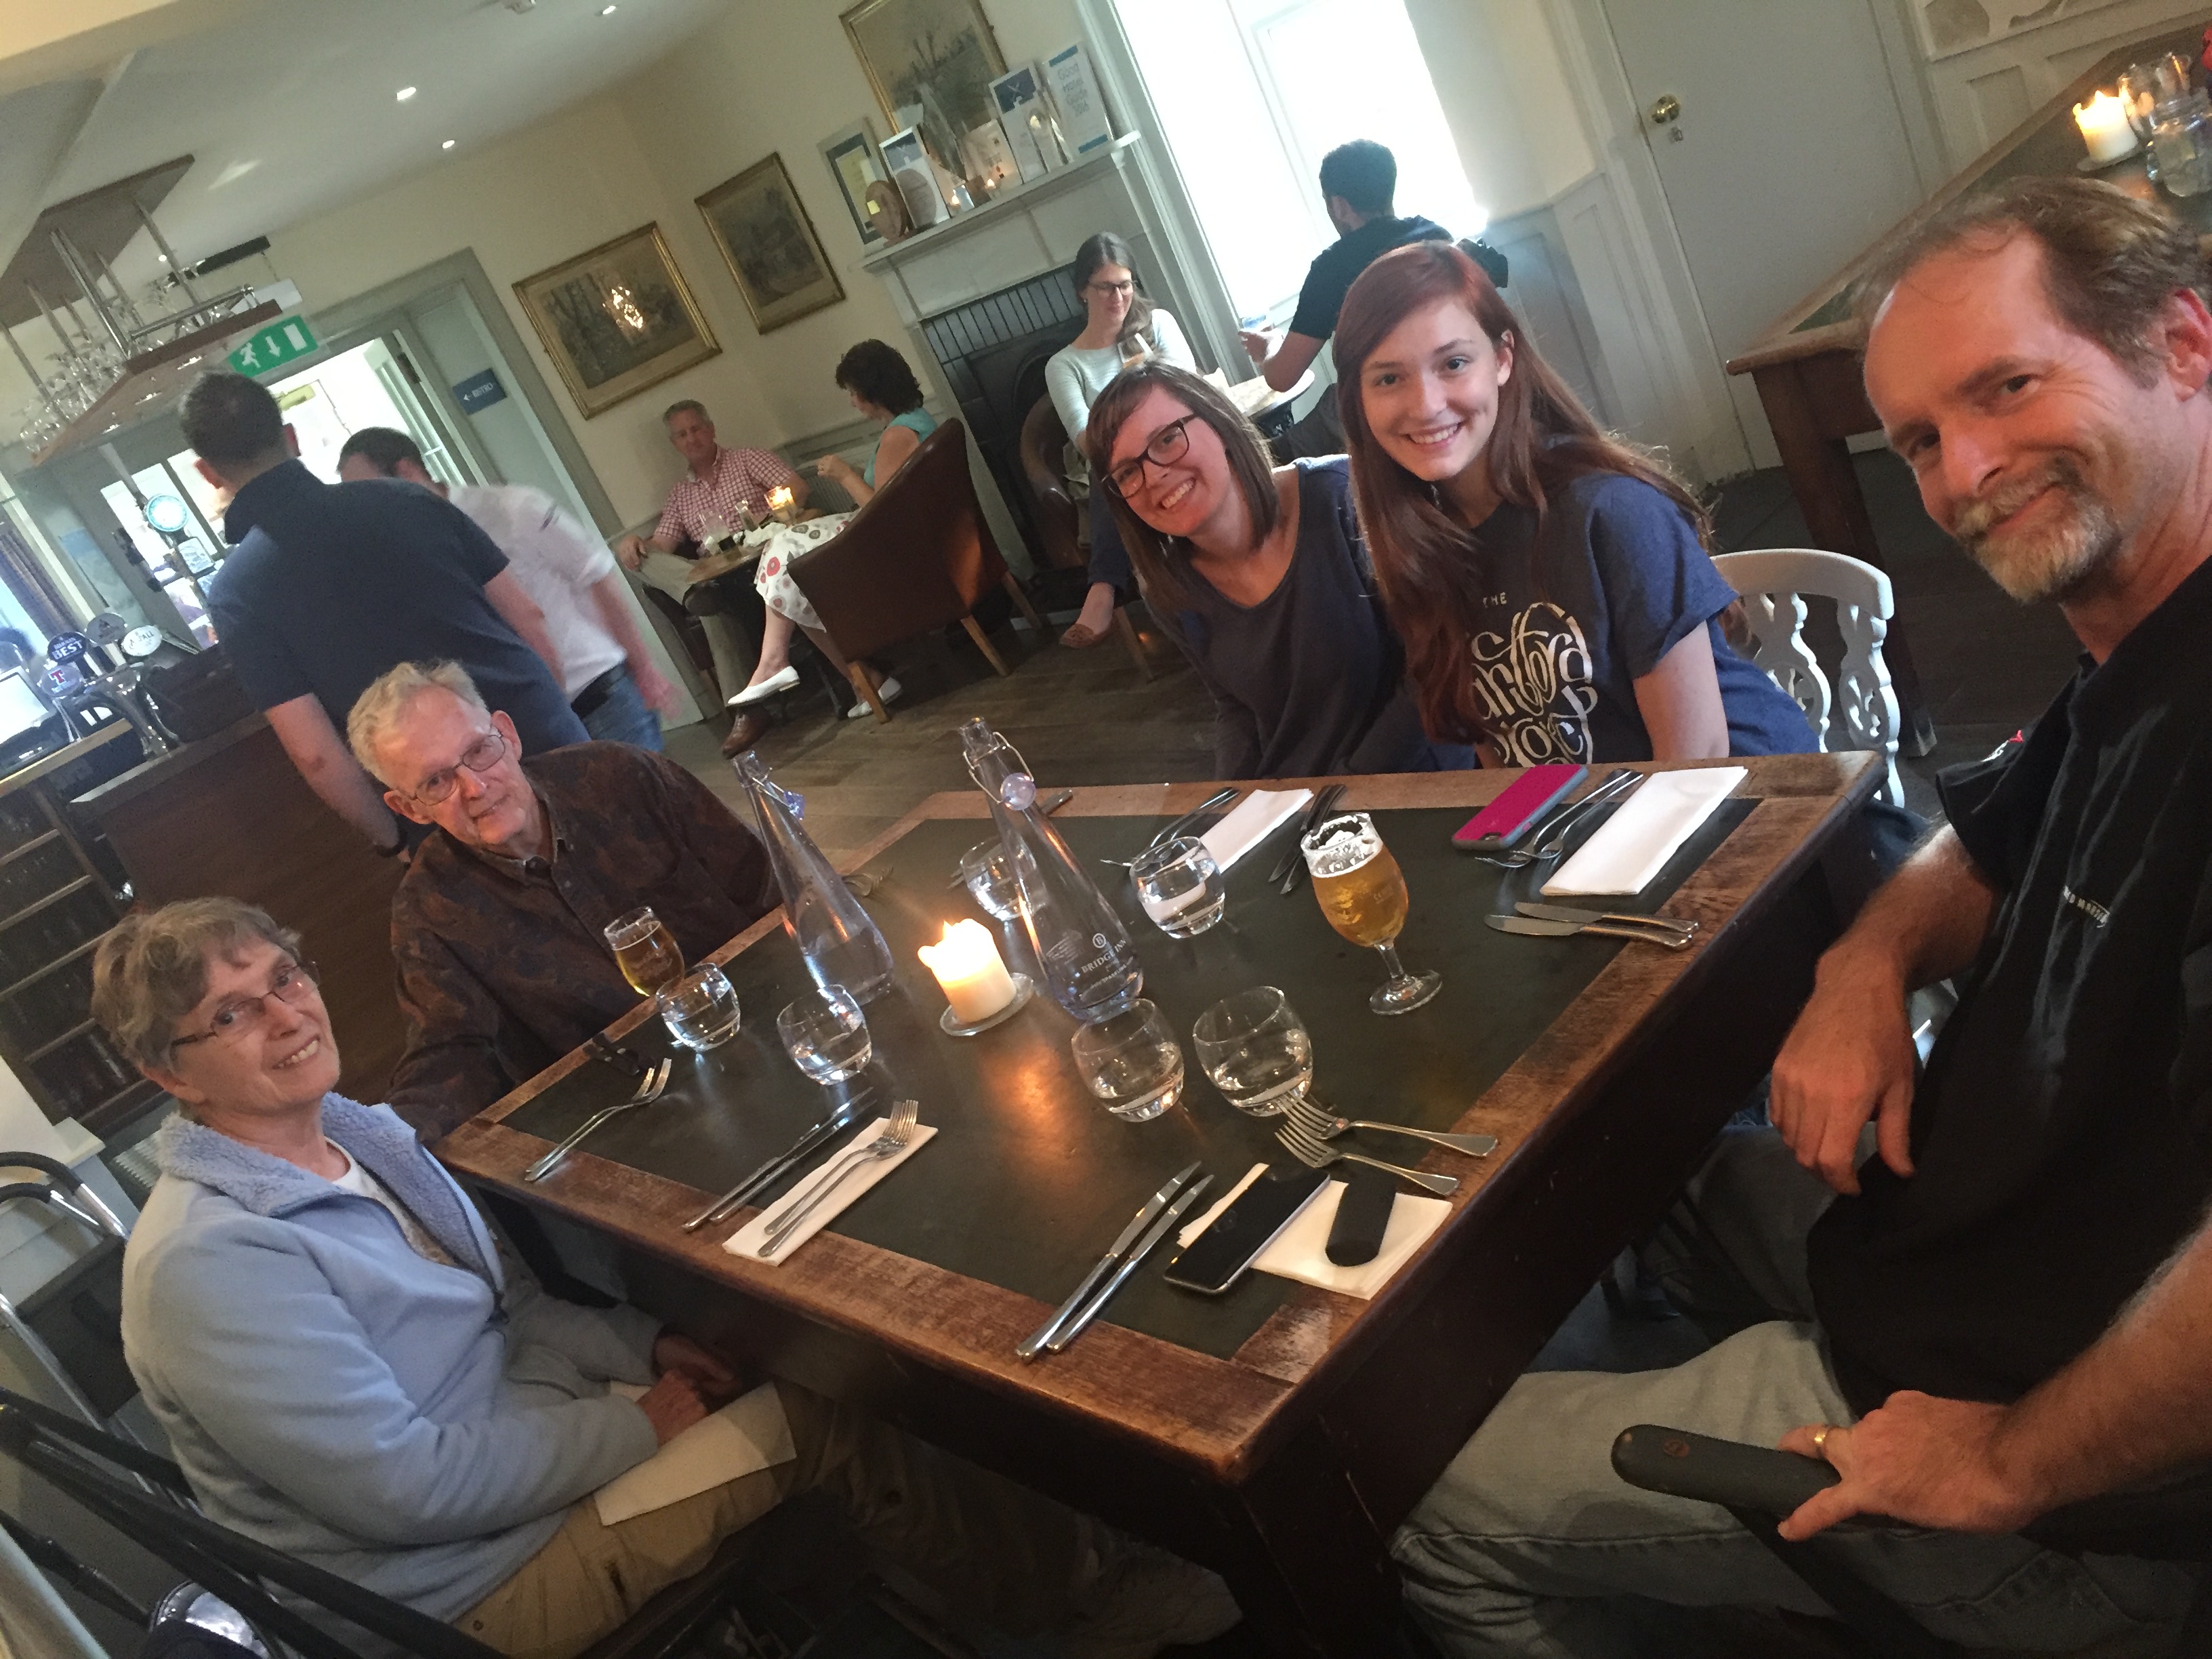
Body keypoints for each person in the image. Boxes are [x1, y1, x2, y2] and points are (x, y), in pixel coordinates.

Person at [1392, 175, 2212, 1656]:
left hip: (2053, 1468)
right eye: (1918, 440)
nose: (1964, 473)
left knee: (1423, 1501)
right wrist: (1863, 961)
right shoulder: (2139, 645)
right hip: (1944, 1243)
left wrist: (2006, 1464)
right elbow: (1981, 843)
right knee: (1635, 1182)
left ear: (2183, 344)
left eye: (2007, 388)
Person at [100, 897, 1239, 1659]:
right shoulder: (210, 1264)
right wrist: (639, 1425)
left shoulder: (359, 1133)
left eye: (284, 978)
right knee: (830, 1397)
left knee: (770, 1338)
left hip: (526, 1444)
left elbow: (513, 1311)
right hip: (464, 1588)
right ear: (170, 1074)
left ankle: (1034, 1544)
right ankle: (1087, 1606)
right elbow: (406, 1492)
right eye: (230, 1015)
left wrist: (643, 1348)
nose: (286, 1016)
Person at [1336, 241, 1814, 763]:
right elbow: (1502, 755)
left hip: (1748, 792)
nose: (1426, 405)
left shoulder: (1612, 512)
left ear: (1502, 359)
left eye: (1453, 363)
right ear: (1358, 398)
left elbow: (1696, 762)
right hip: (1600, 810)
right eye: (1389, 378)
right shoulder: (1422, 543)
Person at [342, 661, 771, 1139]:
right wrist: (385, 1144)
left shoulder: (619, 776)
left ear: (508, 735)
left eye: (479, 750)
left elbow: (768, 886)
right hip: (642, 1113)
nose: (476, 788)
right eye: (436, 782)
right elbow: (450, 1051)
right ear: (409, 809)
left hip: (762, 1019)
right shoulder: (429, 909)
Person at [186, 371, 584, 856]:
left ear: (208, 472)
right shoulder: (409, 499)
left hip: (446, 805)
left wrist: (396, 841)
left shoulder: (237, 593)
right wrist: (554, 722)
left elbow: (315, 755)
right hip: (548, 740)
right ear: (290, 437)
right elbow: (528, 616)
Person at [1086, 362, 1460, 778]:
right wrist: (1230, 800)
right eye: (1127, 473)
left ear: (1219, 423)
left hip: (1415, 780)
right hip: (1295, 797)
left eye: (1168, 439)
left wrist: (1346, 784)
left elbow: (1434, 665)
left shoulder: (1343, 495)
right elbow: (1236, 710)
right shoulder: (1167, 590)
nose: (1153, 475)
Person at [335, 428, 678, 751]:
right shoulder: (414, 553)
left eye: (365, 489)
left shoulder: (514, 508)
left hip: (601, 697)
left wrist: (645, 668)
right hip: (533, 719)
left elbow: (597, 576)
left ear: (407, 472)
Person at [1240, 140, 1495, 460]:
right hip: (1449, 386)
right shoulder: (1436, 238)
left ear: (1339, 206)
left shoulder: (1332, 270)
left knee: (1269, 455)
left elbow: (1282, 377)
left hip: (1374, 410)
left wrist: (1269, 347)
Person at [723, 341, 927, 720]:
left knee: (786, 554)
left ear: (872, 390)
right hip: (902, 538)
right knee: (794, 578)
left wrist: (845, 475)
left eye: (853, 392)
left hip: (891, 548)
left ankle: (778, 663)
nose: (852, 402)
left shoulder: (900, 435)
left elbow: (882, 511)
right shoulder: (915, 422)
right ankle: (862, 681)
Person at [615, 401, 807, 752]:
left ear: (711, 429)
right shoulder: (681, 494)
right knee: (646, 562)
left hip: (765, 567)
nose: (692, 439)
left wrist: (766, 522)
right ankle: (699, 590)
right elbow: (662, 545)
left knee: (712, 609)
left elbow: (797, 487)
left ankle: (747, 713)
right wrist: (635, 543)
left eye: (696, 429)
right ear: (675, 443)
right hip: (719, 580)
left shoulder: (747, 459)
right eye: (682, 435)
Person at [1045, 232, 1199, 652]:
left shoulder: (1156, 324)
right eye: (1105, 287)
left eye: (1125, 285)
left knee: (1118, 466)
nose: (1118, 297)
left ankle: (1103, 586)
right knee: (1111, 465)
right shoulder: (1064, 365)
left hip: (1178, 442)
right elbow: (1084, 438)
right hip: (1118, 468)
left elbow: (1190, 391)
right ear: (1082, 291)